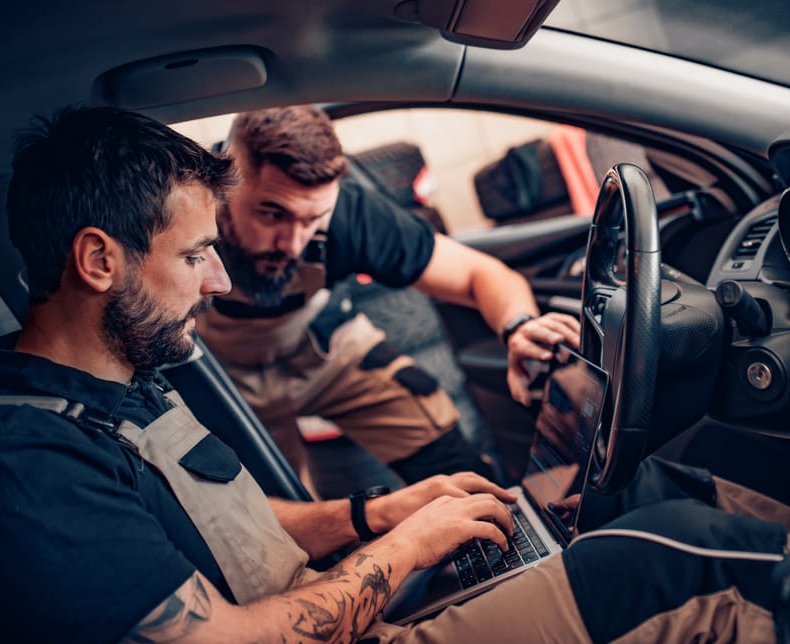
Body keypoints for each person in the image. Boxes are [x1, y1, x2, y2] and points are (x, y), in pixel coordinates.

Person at [0, 105, 790, 644]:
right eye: (195, 255)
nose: (219, 277)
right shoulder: (21, 455)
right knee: (689, 568)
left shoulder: (123, 378)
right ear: (99, 259)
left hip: (332, 594)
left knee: (638, 490)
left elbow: (242, 526)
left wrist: (382, 513)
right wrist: (409, 551)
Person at [195, 105, 581, 493]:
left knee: (458, 470)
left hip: (321, 344)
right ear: (228, 175)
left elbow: (482, 274)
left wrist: (519, 327)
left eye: (312, 220)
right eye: (272, 214)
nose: (294, 244)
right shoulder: (181, 211)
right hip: (218, 367)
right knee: (260, 506)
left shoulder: (351, 214)